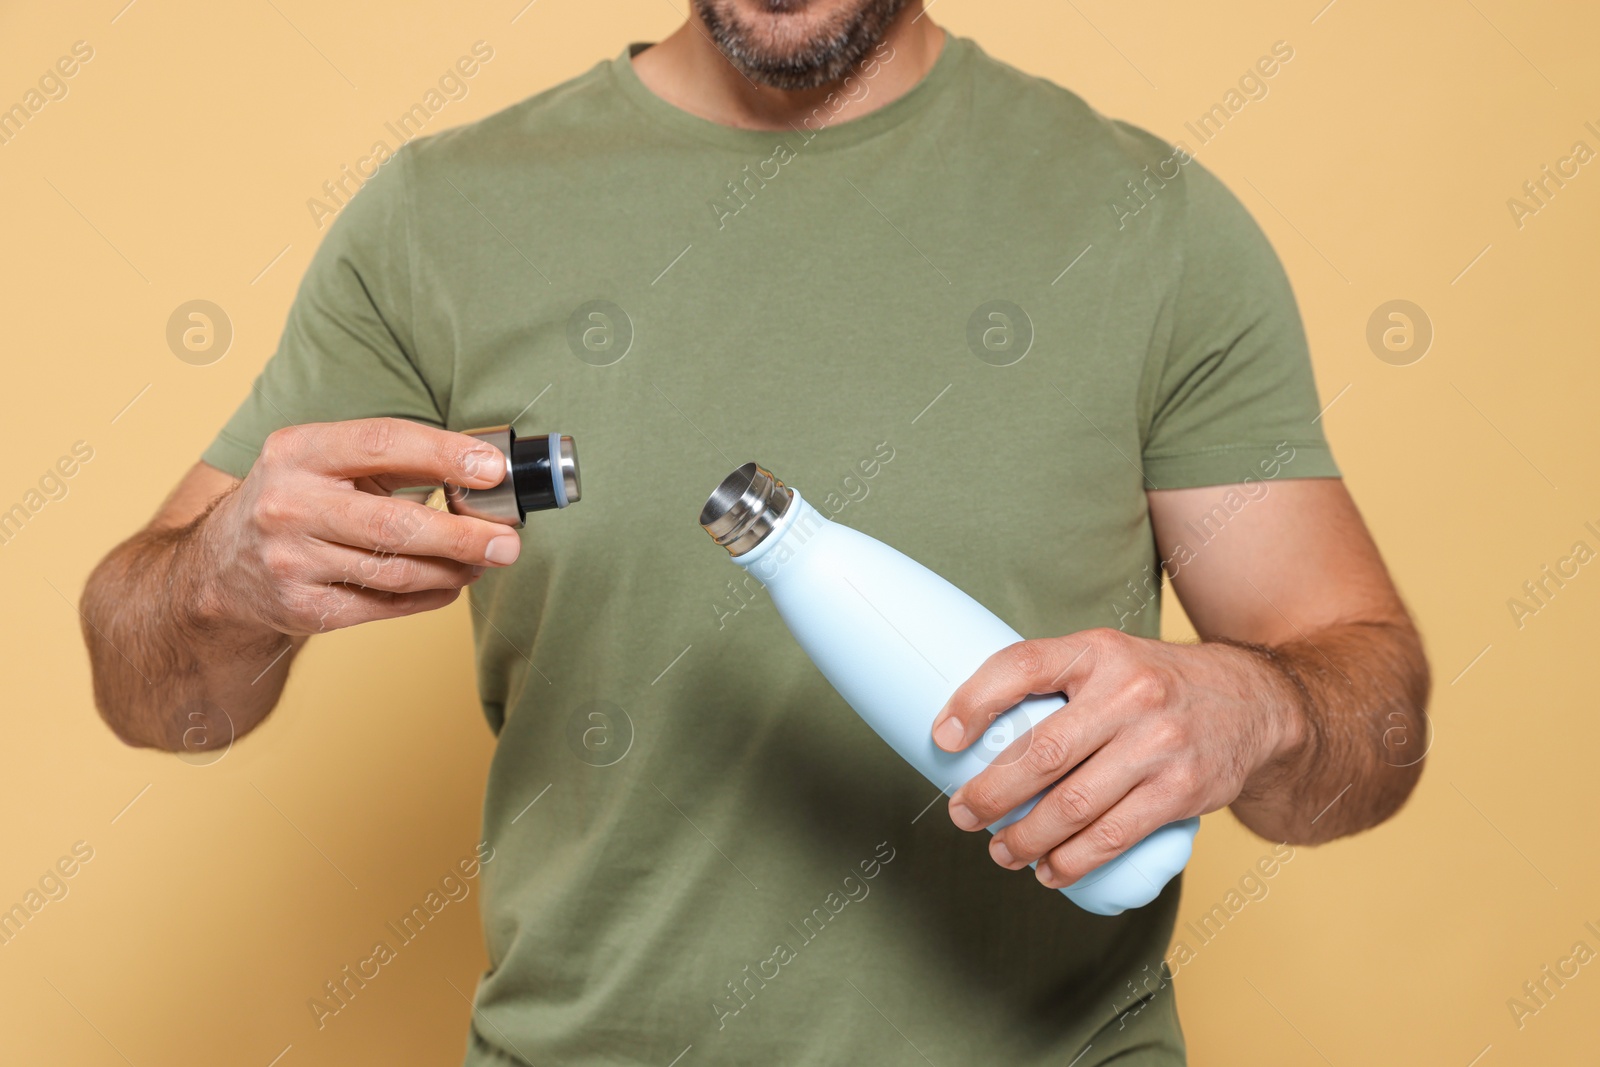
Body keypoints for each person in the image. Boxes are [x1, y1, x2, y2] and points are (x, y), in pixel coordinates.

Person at [79, 1, 1430, 1063]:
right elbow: (162, 704)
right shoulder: (441, 220)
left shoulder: (1151, 226)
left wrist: (1259, 705)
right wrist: (219, 580)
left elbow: (1372, 733)